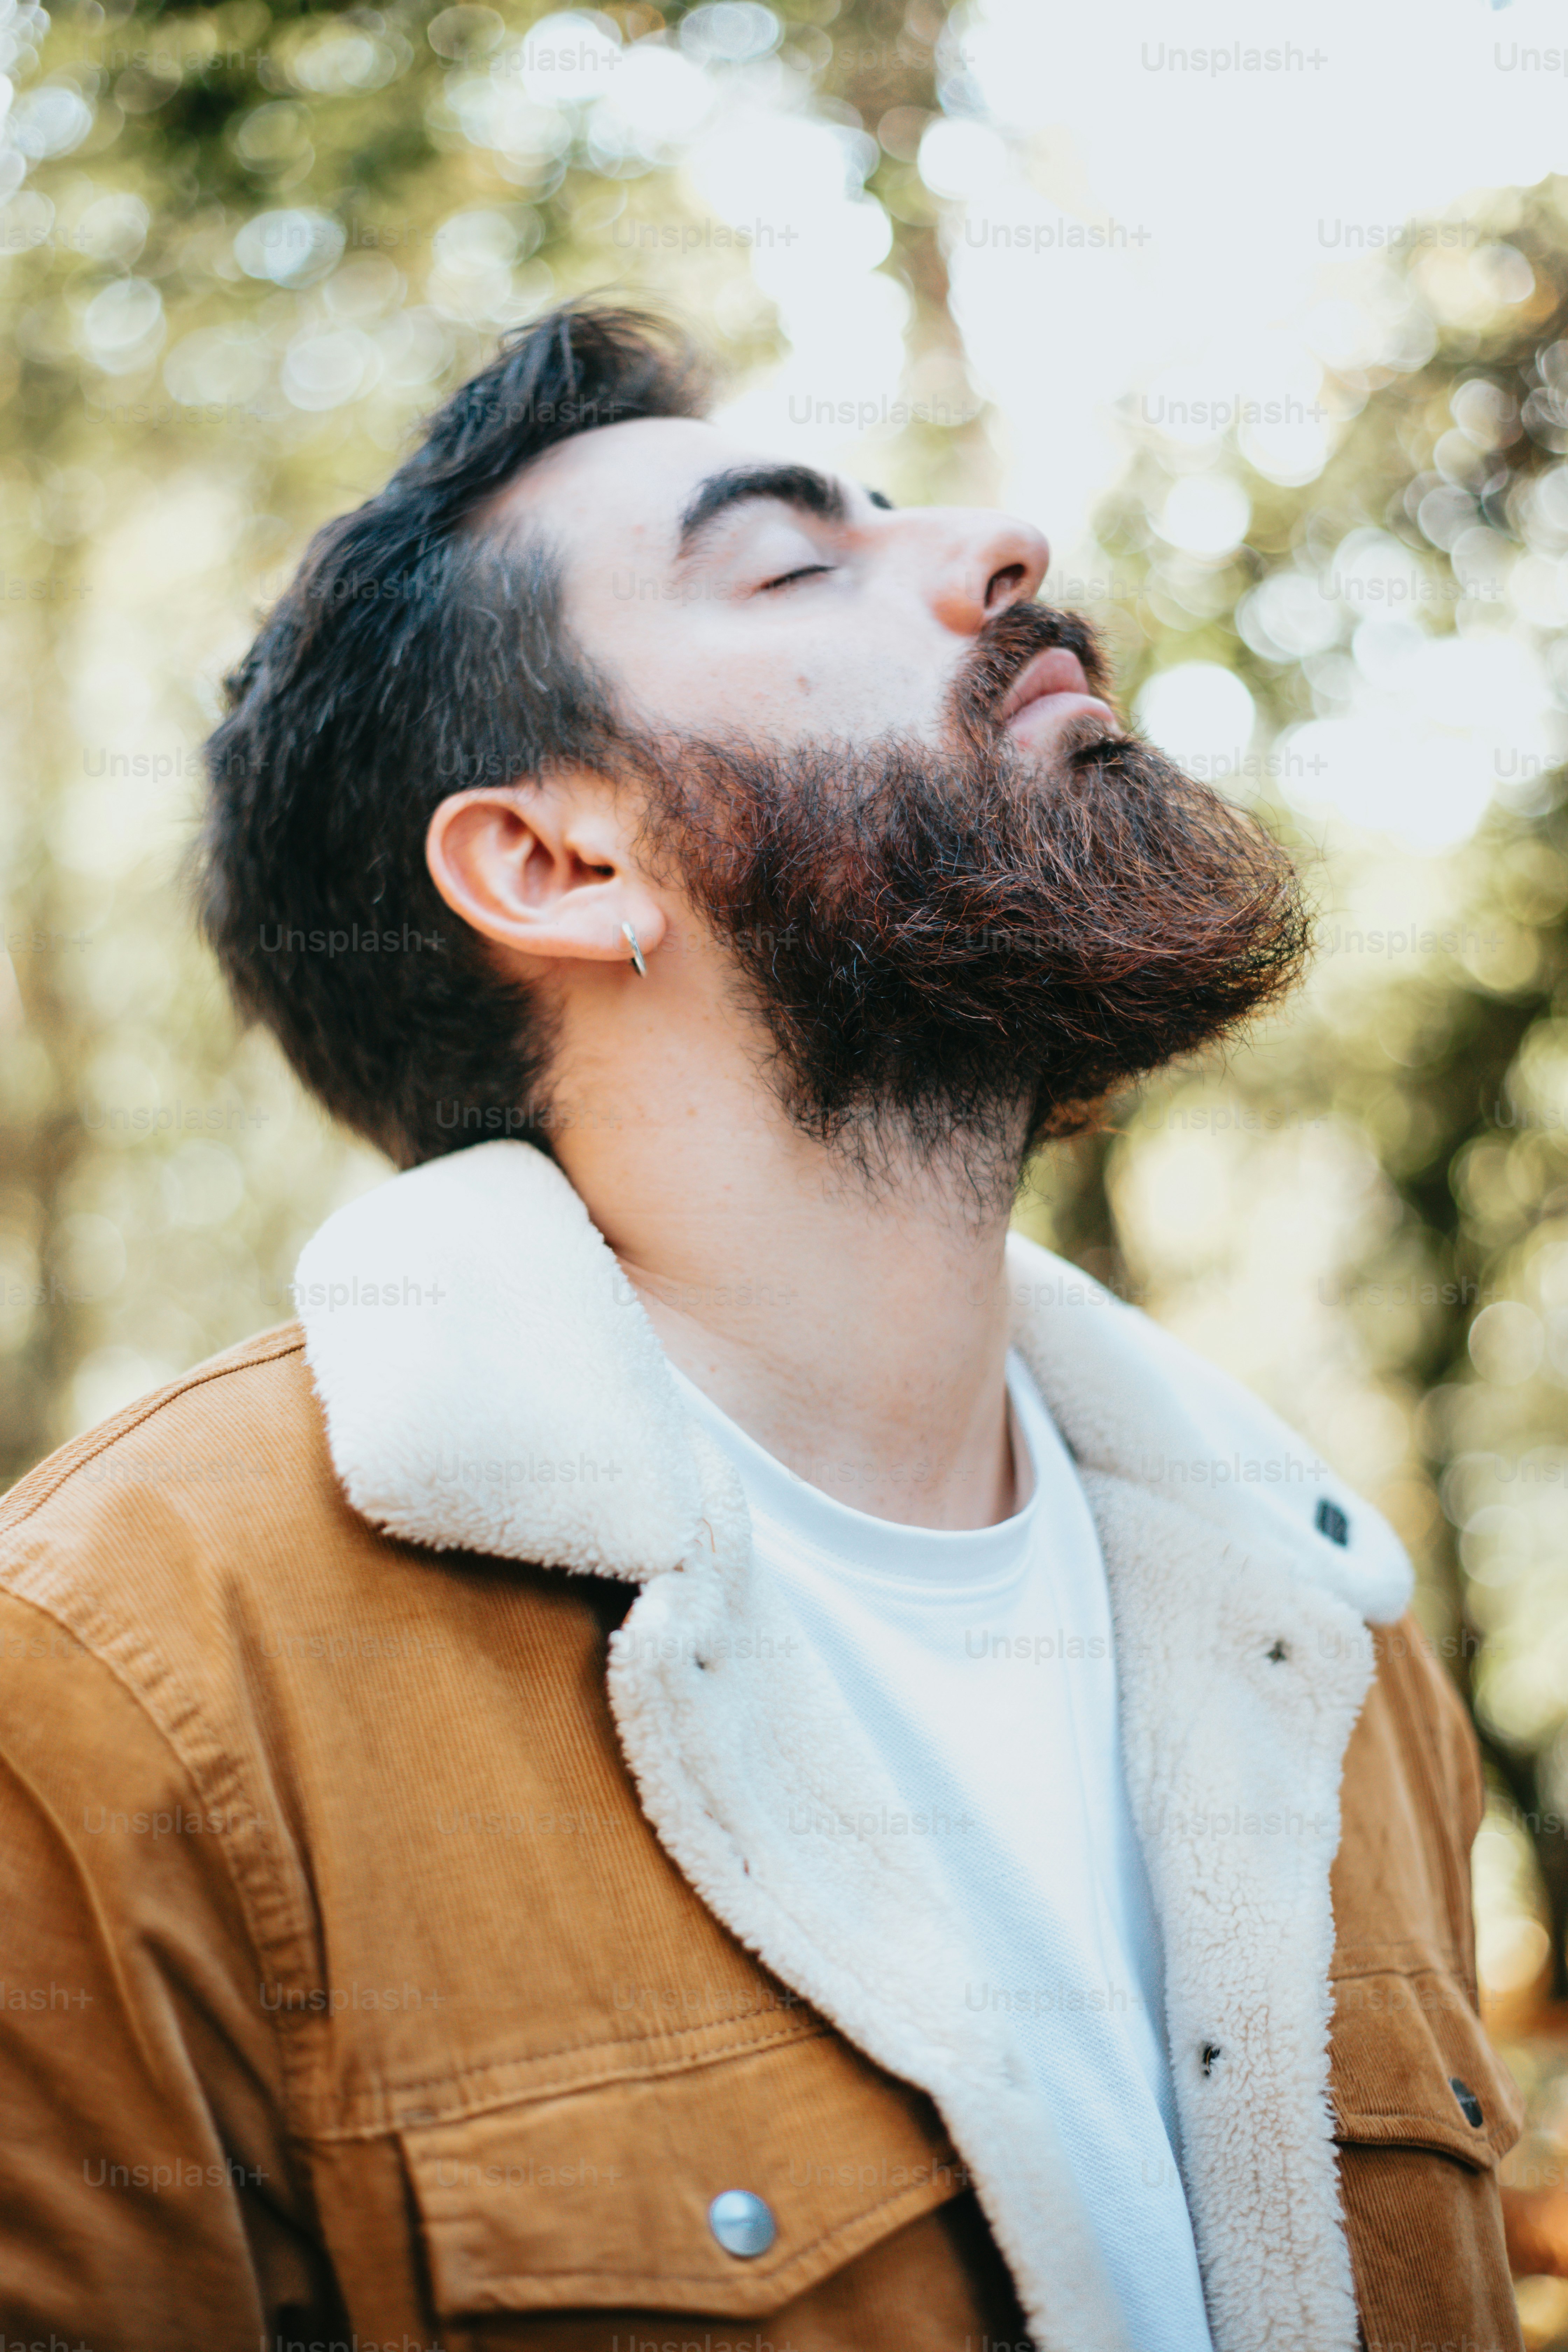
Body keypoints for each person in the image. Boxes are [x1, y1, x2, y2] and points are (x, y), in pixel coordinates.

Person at [0, 305, 1522, 2352]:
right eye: (797, 563)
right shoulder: (115, 1693)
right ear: (556, 862)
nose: (1005, 544)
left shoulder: (1325, 1632)